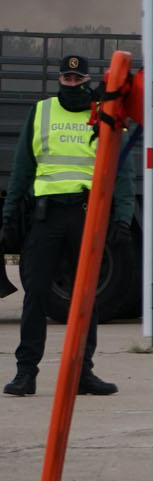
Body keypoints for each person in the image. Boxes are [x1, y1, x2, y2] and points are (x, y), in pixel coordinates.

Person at [2, 55, 126, 397]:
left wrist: (122, 218)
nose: (71, 84)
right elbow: (22, 167)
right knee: (36, 296)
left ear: (88, 80)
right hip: (47, 217)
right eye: (66, 79)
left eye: (77, 79)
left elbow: (121, 169)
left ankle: (83, 374)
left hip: (85, 215)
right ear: (59, 80)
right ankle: (25, 373)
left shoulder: (103, 112)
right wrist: (10, 215)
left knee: (86, 298)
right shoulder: (41, 111)